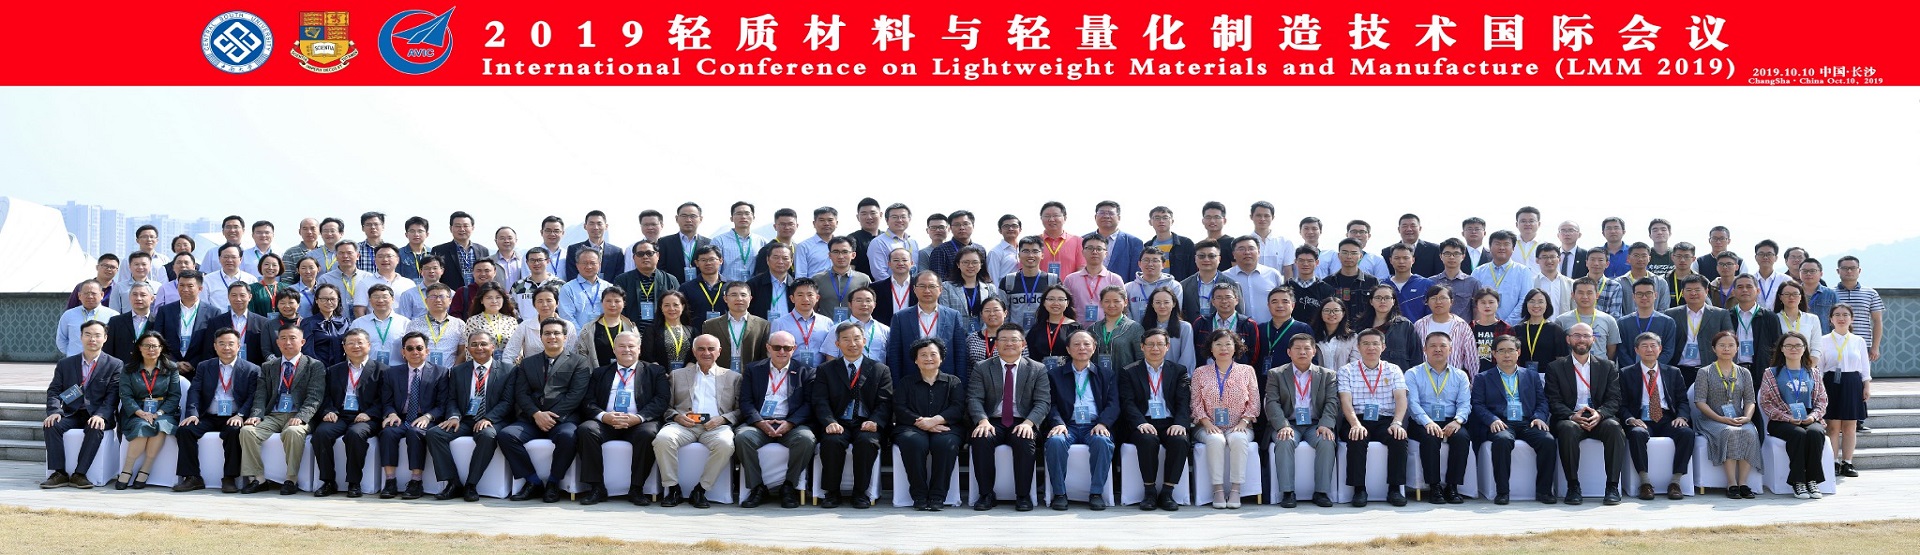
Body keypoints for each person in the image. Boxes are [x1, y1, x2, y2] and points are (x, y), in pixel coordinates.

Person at [498, 318, 593, 503]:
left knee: (569, 436)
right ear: (541, 337)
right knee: (506, 435)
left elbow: (576, 395)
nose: (552, 337)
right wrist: (536, 414)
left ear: (565, 337)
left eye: (557, 333)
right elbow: (521, 393)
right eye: (547, 333)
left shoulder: (579, 362)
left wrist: (551, 417)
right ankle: (532, 481)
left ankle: (553, 483)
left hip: (563, 419)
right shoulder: (527, 363)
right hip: (532, 418)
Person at [574, 331, 671, 506]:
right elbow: (588, 401)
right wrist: (604, 416)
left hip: (639, 423)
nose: (627, 350)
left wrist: (639, 417)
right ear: (614, 349)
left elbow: (661, 400)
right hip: (606, 422)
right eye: (622, 346)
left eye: (631, 346)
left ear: (639, 349)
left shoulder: (655, 371)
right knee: (586, 430)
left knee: (648, 434)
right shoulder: (600, 372)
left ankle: (636, 489)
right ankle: (596, 488)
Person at [967, 323, 1051, 511]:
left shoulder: (1037, 369)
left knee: (1024, 440)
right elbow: (974, 398)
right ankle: (986, 494)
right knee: (980, 438)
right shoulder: (982, 367)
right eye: (1003, 339)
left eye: (1014, 340)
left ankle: (1023, 496)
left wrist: (1029, 423)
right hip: (992, 420)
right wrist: (982, 420)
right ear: (996, 344)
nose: (1009, 344)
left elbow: (1043, 402)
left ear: (1023, 344)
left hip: (1023, 420)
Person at [652, 335, 741, 509]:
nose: (706, 353)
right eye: (701, 349)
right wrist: (677, 416)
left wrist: (722, 419)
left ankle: (701, 490)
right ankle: (673, 488)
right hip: (683, 425)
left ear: (719, 351)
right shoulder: (677, 375)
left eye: (711, 349)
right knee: (663, 439)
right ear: (694, 352)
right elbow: (665, 406)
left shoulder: (733, 377)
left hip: (716, 426)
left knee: (725, 444)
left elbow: (740, 410)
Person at [426, 330, 516, 502]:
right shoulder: (458, 371)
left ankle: (471, 484)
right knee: (434, 433)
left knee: (487, 435)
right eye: (474, 345)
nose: (479, 348)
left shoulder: (508, 370)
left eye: (483, 344)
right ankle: (452, 483)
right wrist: (454, 416)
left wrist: (488, 419)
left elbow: (507, 402)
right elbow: (452, 399)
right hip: (465, 420)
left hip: (493, 420)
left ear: (493, 347)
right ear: (467, 349)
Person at [731, 331, 816, 509]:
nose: (782, 351)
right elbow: (746, 401)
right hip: (760, 423)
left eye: (787, 348)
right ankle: (757, 487)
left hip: (791, 423)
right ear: (768, 348)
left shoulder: (805, 371)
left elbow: (809, 404)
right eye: (777, 347)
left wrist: (790, 423)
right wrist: (759, 422)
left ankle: (789, 486)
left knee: (806, 439)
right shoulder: (753, 369)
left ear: (794, 349)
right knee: (743, 437)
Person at [1544, 322, 1627, 505]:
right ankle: (1573, 487)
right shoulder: (1555, 367)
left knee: (1614, 428)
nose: (1581, 339)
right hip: (1570, 418)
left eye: (1586, 336)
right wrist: (1571, 415)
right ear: (1568, 339)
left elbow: (1614, 399)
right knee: (1567, 429)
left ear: (1593, 340)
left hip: (1599, 418)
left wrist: (1600, 414)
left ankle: (1612, 487)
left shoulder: (1607, 366)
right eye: (1576, 335)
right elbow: (1553, 400)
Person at [813, 323, 894, 509]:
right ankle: (832, 492)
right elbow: (820, 401)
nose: (852, 343)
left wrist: (875, 421)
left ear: (864, 341)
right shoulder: (826, 369)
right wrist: (829, 422)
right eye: (846, 339)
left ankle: (860, 492)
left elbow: (885, 402)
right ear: (837, 344)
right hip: (838, 421)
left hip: (866, 422)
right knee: (831, 442)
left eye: (857, 339)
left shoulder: (880, 369)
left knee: (867, 442)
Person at [1470, 335, 1559, 505]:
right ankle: (1503, 492)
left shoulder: (1531, 376)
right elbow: (1478, 404)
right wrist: (1492, 420)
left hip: (1528, 421)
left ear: (1518, 352)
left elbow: (1542, 401)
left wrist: (1539, 417)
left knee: (1547, 441)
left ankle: (1544, 491)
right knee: (1502, 440)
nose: (1506, 355)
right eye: (1501, 351)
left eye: (1511, 350)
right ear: (1494, 354)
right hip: (1501, 422)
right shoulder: (1483, 377)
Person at [238, 326, 326, 495]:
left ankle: (291, 479)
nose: (288, 342)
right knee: (247, 431)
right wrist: (256, 415)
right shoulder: (268, 366)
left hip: (298, 414)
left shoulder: (314, 365)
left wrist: (301, 417)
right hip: (274, 414)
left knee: (293, 432)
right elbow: (260, 395)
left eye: (292, 338)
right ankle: (258, 479)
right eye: (283, 338)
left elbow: (315, 396)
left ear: (302, 342)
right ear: (277, 343)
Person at [171, 329, 259, 493]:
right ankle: (192, 477)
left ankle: (230, 478)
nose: (226, 348)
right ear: (215, 346)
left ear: (239, 346)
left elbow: (253, 396)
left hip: (234, 416)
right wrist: (193, 414)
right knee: (185, 430)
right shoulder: (205, 366)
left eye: (231, 344)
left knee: (234, 431)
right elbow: (195, 391)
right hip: (208, 415)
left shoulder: (251, 369)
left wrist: (241, 415)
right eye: (222, 343)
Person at [38, 321, 120, 489]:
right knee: (51, 425)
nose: (92, 339)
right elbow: (54, 391)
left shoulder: (114, 364)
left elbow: (113, 396)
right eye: (88, 334)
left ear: (105, 338)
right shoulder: (65, 364)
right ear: (81, 337)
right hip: (72, 413)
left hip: (97, 414)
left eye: (97, 335)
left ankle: (79, 474)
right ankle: (59, 473)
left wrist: (101, 415)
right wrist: (55, 411)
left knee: (95, 426)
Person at [1042, 330, 1118, 511]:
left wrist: (1103, 423)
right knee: (1055, 442)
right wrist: (1058, 422)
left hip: (1095, 425)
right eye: (1076, 344)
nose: (1082, 348)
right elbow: (1050, 403)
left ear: (1094, 348)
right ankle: (1059, 494)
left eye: (1086, 344)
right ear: (1068, 349)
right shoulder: (1054, 375)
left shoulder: (1106, 374)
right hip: (1067, 425)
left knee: (1102, 442)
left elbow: (1113, 404)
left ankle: (1096, 493)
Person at [1119, 328, 1191, 511]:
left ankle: (1167, 492)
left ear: (1167, 347)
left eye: (1160, 344)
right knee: (1147, 440)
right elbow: (1127, 403)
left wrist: (1180, 423)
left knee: (1180, 440)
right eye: (1150, 344)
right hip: (1143, 421)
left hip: (1170, 422)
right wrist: (1140, 422)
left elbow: (1184, 401)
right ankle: (1150, 491)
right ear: (1142, 347)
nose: (1155, 348)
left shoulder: (1178, 371)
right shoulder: (1129, 371)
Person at [1335, 328, 1408, 506]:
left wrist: (1397, 423)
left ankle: (1395, 489)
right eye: (1366, 344)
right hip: (1356, 418)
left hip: (1385, 420)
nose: (1371, 348)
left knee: (1398, 438)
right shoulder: (1346, 370)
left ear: (1383, 347)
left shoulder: (1393, 370)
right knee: (1357, 437)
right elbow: (1345, 401)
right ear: (1358, 347)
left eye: (1375, 344)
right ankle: (1359, 489)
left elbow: (1401, 399)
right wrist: (1355, 424)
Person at [308, 329, 385, 498]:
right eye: (350, 343)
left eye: (360, 342)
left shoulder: (382, 370)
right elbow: (325, 395)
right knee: (321, 433)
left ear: (369, 345)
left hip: (365, 417)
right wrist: (329, 410)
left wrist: (370, 414)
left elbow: (385, 399)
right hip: (340, 415)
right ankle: (328, 481)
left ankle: (354, 482)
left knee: (355, 435)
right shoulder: (334, 370)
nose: (355, 346)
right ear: (344, 347)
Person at [1619, 332, 1696, 501]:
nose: (1649, 350)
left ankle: (1675, 482)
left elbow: (1683, 401)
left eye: (1653, 346)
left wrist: (1682, 417)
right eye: (1644, 346)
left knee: (1687, 433)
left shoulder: (1673, 372)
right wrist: (1630, 419)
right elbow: (1621, 405)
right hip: (1641, 418)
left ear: (1660, 349)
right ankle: (1645, 483)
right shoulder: (1626, 373)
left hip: (1667, 418)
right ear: (1636, 350)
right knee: (1636, 434)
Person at [1265, 334, 1339, 508]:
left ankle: (1321, 492)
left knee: (1326, 440)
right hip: (1289, 424)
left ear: (1314, 351)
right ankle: (1288, 492)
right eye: (1297, 348)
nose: (1302, 352)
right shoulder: (1276, 374)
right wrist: (1282, 426)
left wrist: (1326, 424)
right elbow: (1272, 402)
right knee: (1284, 440)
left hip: (1316, 424)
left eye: (1307, 348)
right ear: (1289, 352)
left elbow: (1332, 402)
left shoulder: (1327, 375)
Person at [894, 337, 967, 511]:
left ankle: (937, 496)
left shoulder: (953, 382)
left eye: (933, 354)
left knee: (945, 444)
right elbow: (899, 407)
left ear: (941, 358)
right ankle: (919, 495)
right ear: (915, 359)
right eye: (923, 355)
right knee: (914, 442)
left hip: (947, 427)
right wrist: (921, 422)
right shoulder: (905, 382)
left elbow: (958, 408)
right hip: (911, 426)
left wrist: (934, 421)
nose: (928, 358)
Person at [373, 333, 448, 500]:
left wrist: (428, 416)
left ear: (427, 351)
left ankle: (416, 481)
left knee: (415, 433)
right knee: (388, 432)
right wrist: (391, 413)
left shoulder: (440, 373)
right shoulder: (391, 373)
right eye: (410, 348)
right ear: (403, 352)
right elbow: (386, 401)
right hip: (400, 417)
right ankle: (390, 481)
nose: (415, 352)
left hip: (425, 418)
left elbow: (442, 404)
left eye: (419, 348)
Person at [1191, 329, 1260, 509]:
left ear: (1235, 348)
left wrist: (1244, 422)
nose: (1224, 348)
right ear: (1211, 348)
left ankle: (1236, 489)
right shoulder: (1200, 372)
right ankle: (1218, 489)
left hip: (1239, 425)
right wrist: (1206, 423)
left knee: (1238, 439)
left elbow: (1254, 402)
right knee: (1215, 440)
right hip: (1207, 425)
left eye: (1228, 344)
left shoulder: (1247, 371)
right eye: (1218, 344)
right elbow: (1195, 403)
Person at [1403, 332, 1473, 504]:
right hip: (1421, 421)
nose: (1438, 349)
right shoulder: (1412, 373)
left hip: (1451, 420)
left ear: (1451, 349)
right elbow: (1412, 404)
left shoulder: (1460, 375)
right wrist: (1428, 422)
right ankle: (1434, 487)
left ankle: (1452, 486)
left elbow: (1465, 403)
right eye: (1433, 346)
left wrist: (1458, 421)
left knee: (1462, 438)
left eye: (1443, 346)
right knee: (1430, 437)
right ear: (1425, 349)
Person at [1692, 331, 1762, 499]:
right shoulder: (1704, 372)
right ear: (1714, 349)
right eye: (1722, 345)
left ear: (1737, 348)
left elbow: (1750, 400)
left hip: (1738, 418)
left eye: (1731, 345)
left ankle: (1743, 483)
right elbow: (1700, 401)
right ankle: (1731, 483)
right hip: (1711, 419)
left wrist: (1747, 417)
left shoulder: (1744, 372)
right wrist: (1721, 419)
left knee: (1750, 432)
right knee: (1728, 432)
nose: (1726, 349)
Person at [1759, 332, 1829, 499]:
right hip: (1781, 419)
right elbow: (1766, 403)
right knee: (1798, 434)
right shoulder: (1771, 373)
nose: (1793, 349)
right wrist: (1788, 418)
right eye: (1788, 345)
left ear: (1804, 349)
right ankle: (1798, 481)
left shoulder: (1814, 372)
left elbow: (1822, 400)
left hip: (1808, 417)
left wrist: (1813, 417)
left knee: (1815, 433)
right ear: (1782, 349)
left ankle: (1812, 480)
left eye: (1798, 345)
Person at [109, 330, 176, 490]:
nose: (150, 349)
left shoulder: (170, 368)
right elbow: (125, 396)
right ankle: (127, 469)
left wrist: (158, 413)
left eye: (154, 346)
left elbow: (174, 396)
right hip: (135, 411)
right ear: (139, 347)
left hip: (163, 411)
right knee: (142, 425)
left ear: (161, 348)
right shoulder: (129, 369)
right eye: (146, 345)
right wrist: (141, 413)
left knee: (161, 425)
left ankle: (145, 469)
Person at [1816, 304, 1870, 478]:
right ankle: (1833, 462)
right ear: (1831, 319)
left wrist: (1866, 385)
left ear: (1851, 319)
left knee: (1850, 426)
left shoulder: (1858, 341)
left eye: (1845, 315)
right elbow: (1819, 368)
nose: (1841, 318)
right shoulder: (1823, 340)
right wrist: (1819, 389)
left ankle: (1847, 462)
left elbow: (1865, 366)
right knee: (1832, 427)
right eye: (1837, 315)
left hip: (1853, 383)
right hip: (1830, 383)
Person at [1664, 275, 1735, 386]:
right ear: (1682, 292)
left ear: (1706, 291)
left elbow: (1730, 342)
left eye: (1697, 290)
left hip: (1709, 370)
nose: (1693, 293)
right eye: (1689, 290)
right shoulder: (1671, 314)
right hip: (1679, 371)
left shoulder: (1721, 314)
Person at [613, 240, 681, 337]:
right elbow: (618, 308)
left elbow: (678, 308)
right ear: (634, 258)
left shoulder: (670, 280)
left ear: (657, 255)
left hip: (664, 334)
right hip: (632, 335)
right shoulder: (622, 280)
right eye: (640, 254)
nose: (645, 257)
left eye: (649, 253)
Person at [1727, 273, 1785, 388]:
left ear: (1758, 291)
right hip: (1732, 371)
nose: (1744, 290)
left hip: (1761, 372)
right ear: (1733, 292)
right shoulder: (1727, 316)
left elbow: (1777, 346)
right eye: (1740, 287)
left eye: (1749, 286)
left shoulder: (1770, 317)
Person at [701, 281, 771, 371]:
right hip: (719, 374)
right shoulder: (710, 325)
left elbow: (764, 356)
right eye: (734, 295)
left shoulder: (763, 325)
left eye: (743, 295)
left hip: (751, 375)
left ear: (750, 298)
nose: (739, 299)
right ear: (725, 298)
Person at [939, 245, 1007, 332]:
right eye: (965, 262)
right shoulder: (946, 287)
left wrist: (981, 335)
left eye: (975, 262)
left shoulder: (990, 288)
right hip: (956, 333)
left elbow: (993, 313)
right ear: (958, 264)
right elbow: (946, 315)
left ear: (981, 264)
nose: (970, 266)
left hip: (984, 334)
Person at [1554, 277, 1623, 362]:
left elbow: (1611, 351)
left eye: (1589, 293)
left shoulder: (1609, 320)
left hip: (1600, 367)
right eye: (1580, 293)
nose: (1585, 297)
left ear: (1597, 295)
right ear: (1573, 295)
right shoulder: (1561, 320)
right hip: (1572, 367)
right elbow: (1559, 350)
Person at [1064, 235, 1128, 325]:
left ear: (1106, 253)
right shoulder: (1070, 279)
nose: (1094, 252)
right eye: (1090, 248)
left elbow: (1122, 308)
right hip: (1076, 330)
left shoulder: (1114, 279)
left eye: (1099, 249)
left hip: (1107, 330)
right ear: (1083, 252)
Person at [1414, 285, 1479, 373]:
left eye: (1443, 298)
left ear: (1451, 301)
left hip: (1453, 378)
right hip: (1424, 377)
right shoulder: (1419, 325)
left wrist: (1473, 379)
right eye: (1433, 298)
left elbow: (1471, 358)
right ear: (1427, 302)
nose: (1438, 302)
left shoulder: (1461, 326)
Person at [1474, 231, 1534, 326]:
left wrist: (1506, 325)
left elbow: (1525, 300)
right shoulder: (1478, 272)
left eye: (1506, 244)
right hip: (1484, 327)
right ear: (1490, 247)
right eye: (1497, 244)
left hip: (1514, 327)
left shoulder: (1523, 271)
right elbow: (1473, 301)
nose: (1502, 247)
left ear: (1513, 248)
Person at [504, 286, 576, 363]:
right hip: (531, 368)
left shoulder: (568, 326)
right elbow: (510, 352)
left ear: (557, 303)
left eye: (549, 300)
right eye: (540, 301)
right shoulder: (525, 326)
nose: (544, 304)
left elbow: (573, 353)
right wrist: (508, 368)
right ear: (534, 304)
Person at [1223, 236, 1285, 324]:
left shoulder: (1273, 274)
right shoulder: (1225, 277)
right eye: (1241, 249)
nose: (1247, 252)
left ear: (1259, 252)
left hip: (1269, 328)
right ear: (1233, 254)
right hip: (1238, 328)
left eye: (1251, 248)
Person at [407, 283, 469, 369]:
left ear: (450, 300)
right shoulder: (414, 324)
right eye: (433, 297)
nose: (438, 300)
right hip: (422, 373)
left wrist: (454, 370)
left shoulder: (459, 324)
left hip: (449, 373)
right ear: (426, 301)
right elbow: (409, 351)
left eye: (442, 296)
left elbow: (462, 352)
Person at [1617, 278, 1679, 364]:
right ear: (1633, 296)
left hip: (1658, 370)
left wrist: (1652, 368)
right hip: (1630, 370)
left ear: (1655, 295)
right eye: (1639, 294)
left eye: (1648, 293)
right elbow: (1621, 352)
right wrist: (1635, 369)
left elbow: (1668, 351)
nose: (1644, 297)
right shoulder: (1623, 322)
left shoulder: (1667, 322)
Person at [811, 237, 873, 322]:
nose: (840, 256)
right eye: (836, 252)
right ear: (829, 255)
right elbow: (813, 308)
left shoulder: (863, 279)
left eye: (845, 252)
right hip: (826, 327)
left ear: (853, 255)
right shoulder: (818, 279)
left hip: (855, 327)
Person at [1360, 284, 1420, 370]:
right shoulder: (1361, 325)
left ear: (1393, 301)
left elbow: (1416, 357)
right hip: (1367, 375)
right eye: (1378, 298)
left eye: (1387, 298)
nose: (1382, 301)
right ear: (1371, 302)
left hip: (1399, 375)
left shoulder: (1405, 325)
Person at [573, 286, 634, 368]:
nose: (612, 305)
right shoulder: (588, 329)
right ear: (602, 303)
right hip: (596, 373)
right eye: (608, 301)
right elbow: (581, 355)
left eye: (617, 301)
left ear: (624, 304)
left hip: (625, 373)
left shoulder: (631, 328)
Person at [1323, 239, 1382, 325]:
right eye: (1345, 252)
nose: (1349, 256)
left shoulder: (1372, 281)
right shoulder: (1328, 282)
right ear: (1338, 256)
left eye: (1354, 253)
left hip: (1365, 330)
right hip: (1336, 329)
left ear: (1360, 256)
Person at [349, 284, 410, 366]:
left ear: (392, 299)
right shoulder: (358, 323)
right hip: (368, 369)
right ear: (370, 300)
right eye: (376, 297)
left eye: (385, 297)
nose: (380, 300)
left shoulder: (405, 323)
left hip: (396, 368)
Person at [1138, 288, 1197, 371]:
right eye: (1158, 302)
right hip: (1148, 374)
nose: (1162, 306)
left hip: (1176, 376)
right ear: (1152, 304)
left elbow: (1187, 357)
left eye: (1166, 302)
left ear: (1174, 304)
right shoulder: (1143, 326)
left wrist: (1180, 375)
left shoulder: (1185, 327)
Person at [57, 280, 119, 357]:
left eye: (93, 293)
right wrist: (73, 354)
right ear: (79, 295)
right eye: (86, 293)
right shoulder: (68, 315)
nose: (90, 296)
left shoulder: (113, 316)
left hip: (103, 362)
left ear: (102, 295)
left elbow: (118, 341)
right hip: (75, 361)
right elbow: (61, 340)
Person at [1180, 242, 1237, 322]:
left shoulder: (1231, 284)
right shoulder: (1184, 285)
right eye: (1201, 256)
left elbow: (1239, 314)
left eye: (1211, 256)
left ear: (1219, 259)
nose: (1206, 260)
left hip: (1223, 328)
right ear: (1195, 259)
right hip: (1193, 328)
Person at [1613, 243, 1673, 319]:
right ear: (1628, 258)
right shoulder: (1619, 283)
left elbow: (1664, 309)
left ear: (1649, 258)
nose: (1640, 259)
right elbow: (1617, 310)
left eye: (1644, 256)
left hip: (1654, 324)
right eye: (1636, 256)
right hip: (1626, 325)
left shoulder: (1660, 282)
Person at [1316, 221, 1391, 279]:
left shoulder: (1377, 259)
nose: (1358, 235)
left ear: (1369, 236)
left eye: (1362, 232)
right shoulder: (1333, 256)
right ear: (1347, 234)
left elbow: (1382, 282)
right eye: (1354, 231)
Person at [659, 203, 713, 283]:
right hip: (674, 288)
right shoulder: (664, 242)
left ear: (700, 219)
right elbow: (660, 269)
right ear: (676, 219)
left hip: (701, 287)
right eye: (684, 216)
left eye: (693, 216)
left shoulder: (709, 243)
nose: (688, 220)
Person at [558, 250, 611, 329]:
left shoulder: (608, 287)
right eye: (584, 263)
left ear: (599, 265)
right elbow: (567, 317)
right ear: (577, 265)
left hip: (606, 333)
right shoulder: (568, 288)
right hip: (578, 334)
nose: (589, 266)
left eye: (592, 263)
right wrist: (582, 335)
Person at [1122, 249, 1180, 322]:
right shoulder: (1128, 287)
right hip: (1135, 328)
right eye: (1146, 260)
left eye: (1155, 260)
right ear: (1139, 264)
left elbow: (1175, 312)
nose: (1150, 264)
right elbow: (1126, 313)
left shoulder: (1173, 286)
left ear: (1163, 264)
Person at [867, 203, 920, 282]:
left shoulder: (913, 242)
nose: (899, 220)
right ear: (887, 220)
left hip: (914, 288)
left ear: (909, 219)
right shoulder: (878, 242)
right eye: (895, 217)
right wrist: (897, 286)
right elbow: (879, 274)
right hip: (889, 288)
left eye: (903, 217)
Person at [1383, 243, 1435, 321]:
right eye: (1397, 258)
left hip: (1418, 328)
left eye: (1406, 258)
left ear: (1413, 260)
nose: (1401, 261)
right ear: (1391, 260)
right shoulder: (1383, 285)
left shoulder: (1425, 284)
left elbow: (1432, 313)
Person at [562, 210, 620, 282]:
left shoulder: (616, 252)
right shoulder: (574, 249)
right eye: (591, 224)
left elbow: (618, 278)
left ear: (606, 226)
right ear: (585, 226)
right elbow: (572, 275)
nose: (596, 227)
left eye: (599, 224)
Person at [510, 247, 567, 319]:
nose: (536, 263)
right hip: (526, 325)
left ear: (548, 261)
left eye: (540, 260)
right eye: (532, 260)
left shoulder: (560, 285)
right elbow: (512, 308)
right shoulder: (518, 286)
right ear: (527, 262)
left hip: (552, 325)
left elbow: (565, 310)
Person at [1144, 206, 1198, 281]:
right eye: (1157, 218)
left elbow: (1193, 270)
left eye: (1165, 217)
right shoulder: (1146, 246)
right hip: (1153, 286)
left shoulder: (1185, 244)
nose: (1161, 221)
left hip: (1180, 286)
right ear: (1150, 222)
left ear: (1172, 221)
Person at [1034, 201, 1084, 281]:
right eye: (1047, 216)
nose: (1051, 219)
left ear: (1065, 218)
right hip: (1038, 288)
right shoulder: (1033, 241)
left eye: (1056, 215)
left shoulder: (1078, 241)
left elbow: (1081, 269)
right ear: (1041, 218)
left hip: (1068, 288)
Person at [745, 242, 796, 318]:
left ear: (791, 261)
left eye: (785, 258)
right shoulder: (753, 285)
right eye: (776, 257)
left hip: (790, 325)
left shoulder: (796, 286)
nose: (780, 262)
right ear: (767, 260)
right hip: (762, 325)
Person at [465, 282, 520, 349]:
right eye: (489, 298)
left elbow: (518, 346)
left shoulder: (511, 321)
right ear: (481, 300)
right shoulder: (473, 321)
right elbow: (469, 349)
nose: (494, 301)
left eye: (498, 297)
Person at [1470, 288, 1514, 370]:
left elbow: (1512, 355)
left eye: (1491, 302)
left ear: (1498, 303)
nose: (1487, 306)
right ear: (1477, 304)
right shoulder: (1470, 328)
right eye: (1483, 302)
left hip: (1498, 372)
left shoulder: (1506, 329)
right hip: (1473, 372)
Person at [1314, 298, 1359, 371]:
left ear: (1343, 313)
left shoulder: (1352, 338)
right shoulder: (1312, 336)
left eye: (1336, 310)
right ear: (1321, 314)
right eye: (1327, 310)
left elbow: (1355, 364)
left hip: (1345, 377)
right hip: (1319, 377)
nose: (1331, 314)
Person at [793, 207, 839, 280]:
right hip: (815, 286)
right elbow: (800, 276)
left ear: (836, 223)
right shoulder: (803, 246)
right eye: (821, 220)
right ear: (814, 223)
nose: (826, 223)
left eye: (830, 220)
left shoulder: (843, 246)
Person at [1532, 244, 1574, 314]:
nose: (1549, 261)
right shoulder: (1531, 283)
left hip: (1563, 321)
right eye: (1544, 257)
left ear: (1559, 259)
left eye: (1552, 257)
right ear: (1537, 260)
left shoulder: (1570, 284)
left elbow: (1574, 309)